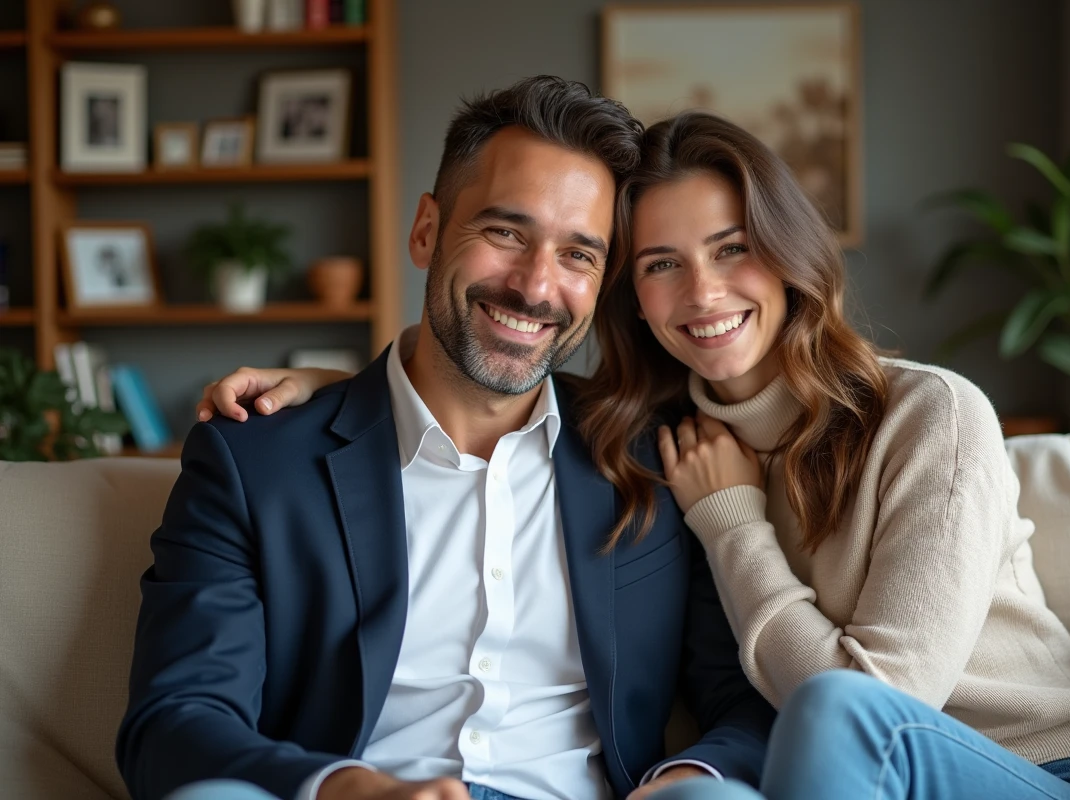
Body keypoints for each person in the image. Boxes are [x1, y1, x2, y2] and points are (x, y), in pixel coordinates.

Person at [206, 110, 1070, 800]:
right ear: (628, 295)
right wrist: (340, 394)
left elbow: (871, 705)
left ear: (789, 255)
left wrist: (733, 519)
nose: (703, 292)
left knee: (828, 716)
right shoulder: (663, 436)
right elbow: (482, 379)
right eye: (660, 264)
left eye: (733, 247)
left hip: (1053, 773)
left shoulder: (928, 414)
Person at [118, 78, 775, 800]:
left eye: (578, 256)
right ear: (427, 229)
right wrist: (353, 791)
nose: (534, 285)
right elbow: (175, 722)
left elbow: (747, 697)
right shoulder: (254, 460)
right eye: (505, 233)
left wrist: (684, 779)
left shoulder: (656, 457)